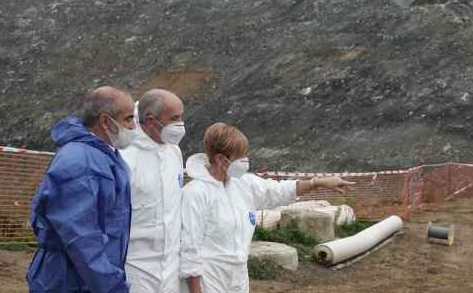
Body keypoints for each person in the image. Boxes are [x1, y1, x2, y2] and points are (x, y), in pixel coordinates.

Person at [180, 123, 354, 293]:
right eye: (240, 157)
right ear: (220, 159)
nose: (245, 161)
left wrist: (318, 183)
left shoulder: (243, 184)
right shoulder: (195, 194)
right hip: (209, 279)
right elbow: (189, 249)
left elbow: (279, 191)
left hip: (238, 276)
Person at [27, 86, 136, 293]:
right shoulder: (80, 162)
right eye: (128, 119)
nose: (133, 127)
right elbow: (82, 238)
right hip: (69, 281)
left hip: (84, 279)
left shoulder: (103, 156)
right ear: (105, 122)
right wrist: (111, 286)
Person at [120, 89, 186, 293]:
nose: (181, 124)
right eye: (174, 118)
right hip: (135, 265)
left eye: (182, 117)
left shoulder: (174, 152)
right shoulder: (125, 156)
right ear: (150, 119)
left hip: (170, 265)